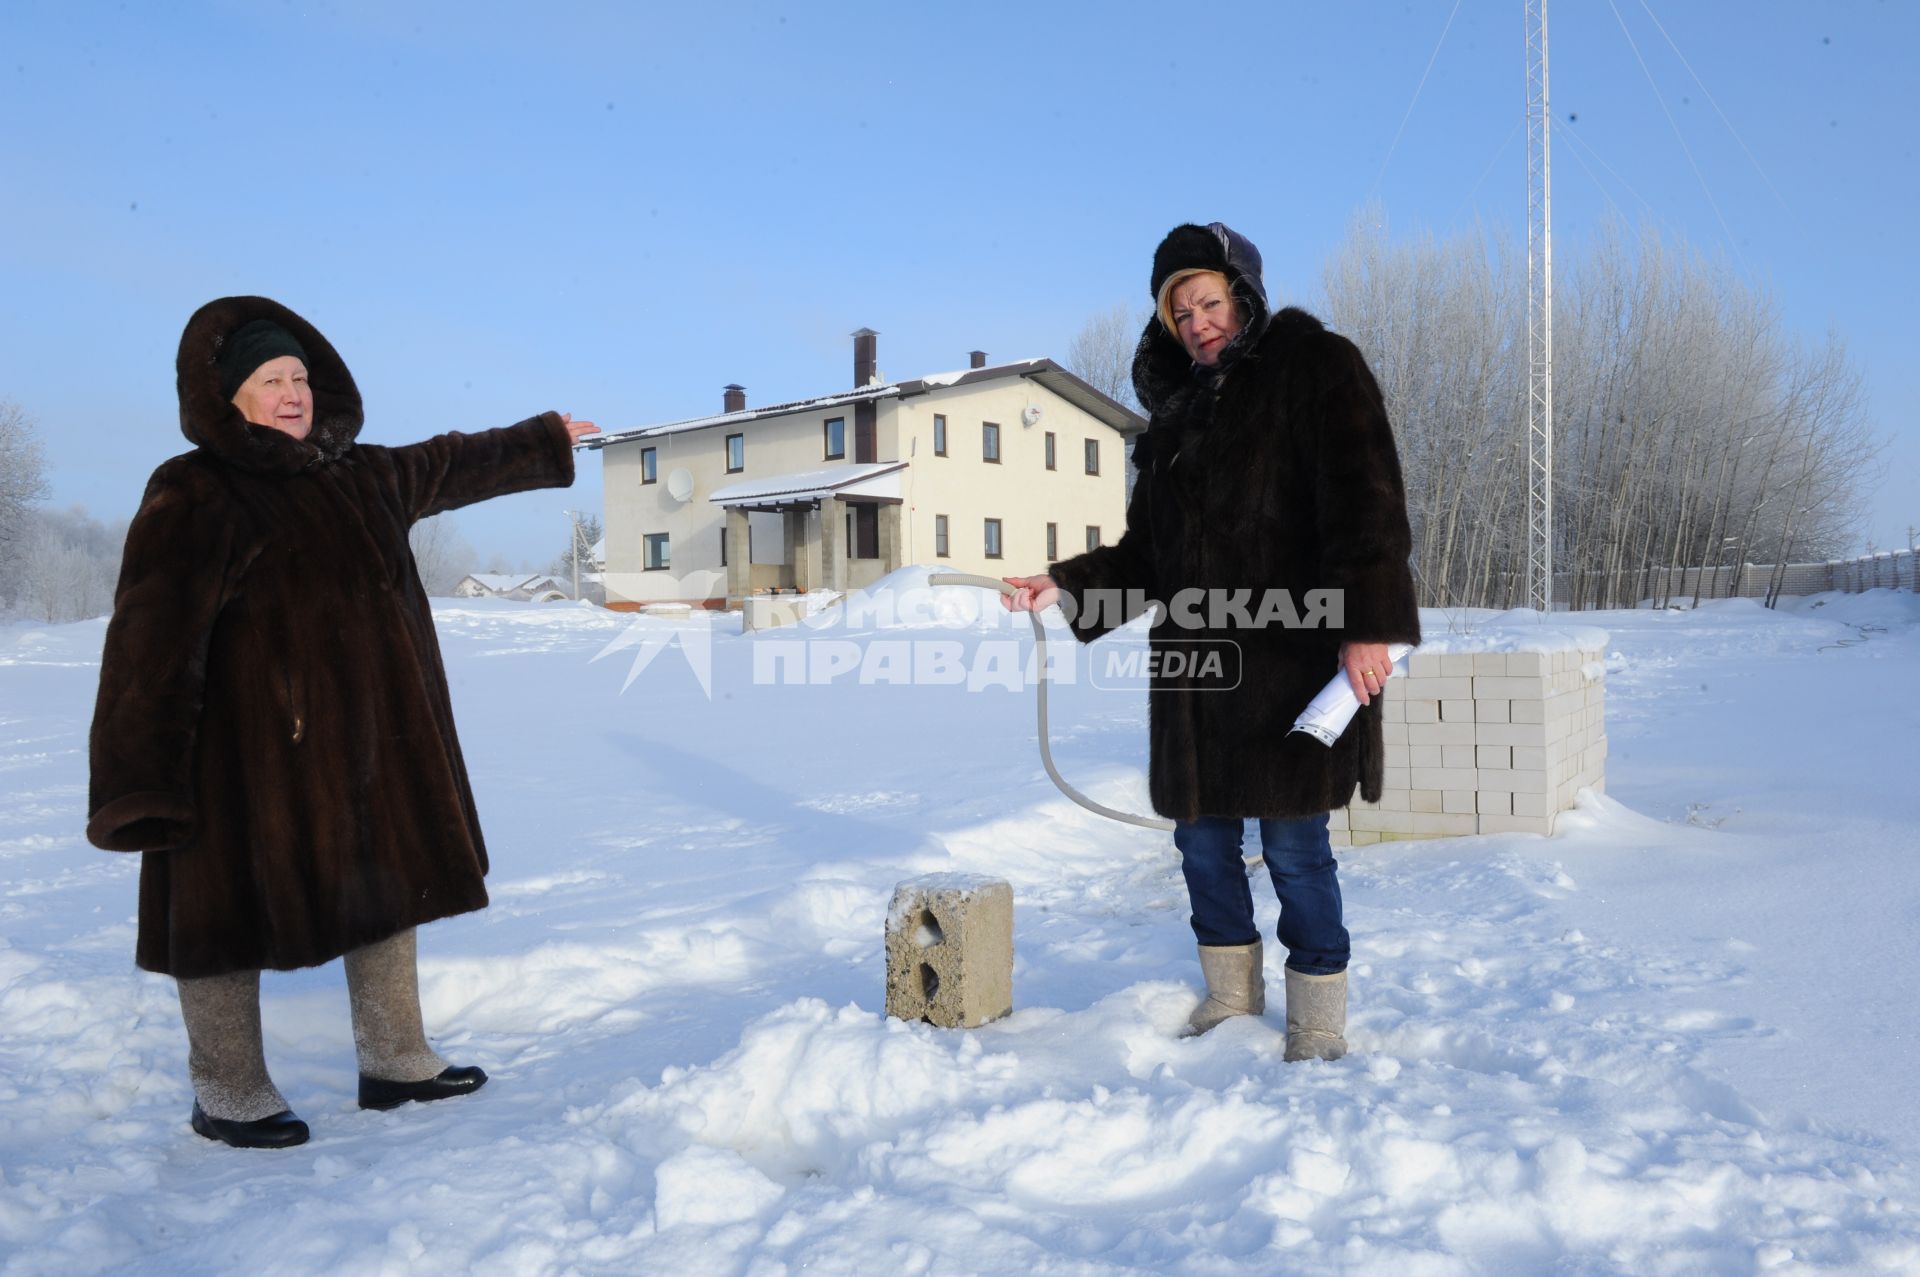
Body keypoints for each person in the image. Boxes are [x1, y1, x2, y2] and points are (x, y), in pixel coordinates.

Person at [86, 296, 600, 1147]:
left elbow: (450, 463)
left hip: (369, 742)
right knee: (218, 911)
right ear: (228, 397)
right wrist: (138, 777)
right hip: (237, 753)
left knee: (386, 882)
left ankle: (396, 1058)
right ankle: (228, 1088)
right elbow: (147, 640)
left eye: (299, 376)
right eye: (269, 379)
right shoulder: (195, 490)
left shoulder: (360, 475)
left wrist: (541, 441)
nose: (292, 392)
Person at [1003, 223, 1419, 1062]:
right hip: (1199, 675)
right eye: (1178, 311)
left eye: (1209, 301)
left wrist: (1369, 627)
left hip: (1292, 660)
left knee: (1296, 844)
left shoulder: (1317, 368)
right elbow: (1148, 557)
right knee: (1200, 839)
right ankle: (1231, 995)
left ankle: (1317, 1012)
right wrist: (1068, 584)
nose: (1197, 322)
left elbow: (1366, 503)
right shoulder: (1172, 426)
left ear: (1245, 294)